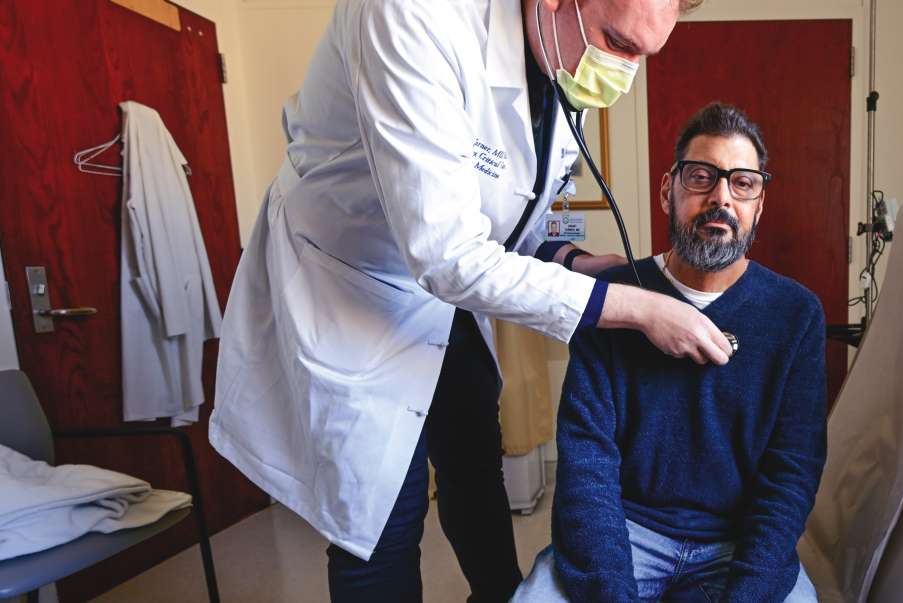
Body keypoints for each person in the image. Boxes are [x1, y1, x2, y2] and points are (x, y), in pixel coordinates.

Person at [208, 1, 722, 601]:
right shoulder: (411, 14)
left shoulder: (552, 60)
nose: (624, 70)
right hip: (350, 285)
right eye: (616, 40)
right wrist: (638, 309)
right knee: (380, 523)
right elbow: (447, 254)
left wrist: (575, 262)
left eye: (642, 53)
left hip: (444, 291)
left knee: (475, 459)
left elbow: (502, 222)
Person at [512, 103, 827, 602]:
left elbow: (791, 473)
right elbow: (586, 464)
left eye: (742, 183)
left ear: (759, 204)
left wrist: (747, 593)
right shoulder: (613, 296)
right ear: (668, 190)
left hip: (734, 542)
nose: (721, 197)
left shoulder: (795, 314)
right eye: (701, 177)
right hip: (626, 531)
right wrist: (609, 592)